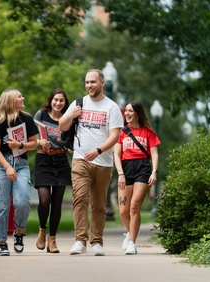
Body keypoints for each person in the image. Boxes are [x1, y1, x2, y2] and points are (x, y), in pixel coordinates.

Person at [59, 69, 123, 256]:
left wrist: (98, 150)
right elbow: (62, 126)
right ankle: (80, 240)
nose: (89, 85)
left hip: (103, 162)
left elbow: (115, 136)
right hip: (80, 159)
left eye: (93, 82)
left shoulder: (111, 107)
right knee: (80, 199)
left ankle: (97, 242)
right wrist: (71, 115)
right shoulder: (79, 103)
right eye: (87, 82)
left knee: (99, 203)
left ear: (102, 83)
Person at [0, 88, 39, 256]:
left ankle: (19, 232)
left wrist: (20, 146)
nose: (23, 98)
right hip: (1, 164)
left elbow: (35, 143)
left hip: (21, 164)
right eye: (19, 96)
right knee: (2, 205)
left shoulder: (27, 119)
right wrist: (7, 167)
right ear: (11, 101)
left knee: (22, 202)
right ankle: (2, 242)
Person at [114, 101, 160, 255]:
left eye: (130, 111)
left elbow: (154, 154)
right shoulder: (122, 132)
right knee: (122, 211)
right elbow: (117, 154)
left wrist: (154, 171)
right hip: (126, 169)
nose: (127, 113)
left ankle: (132, 243)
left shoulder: (148, 132)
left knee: (134, 207)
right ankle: (130, 233)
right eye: (126, 111)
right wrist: (120, 173)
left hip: (142, 168)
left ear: (137, 113)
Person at [33, 88, 72, 254]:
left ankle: (52, 239)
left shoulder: (67, 119)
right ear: (51, 100)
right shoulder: (40, 115)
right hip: (43, 160)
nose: (58, 103)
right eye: (56, 100)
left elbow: (70, 139)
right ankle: (42, 230)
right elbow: (31, 136)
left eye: (61, 101)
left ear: (65, 103)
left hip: (61, 160)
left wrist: (70, 147)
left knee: (57, 204)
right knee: (44, 200)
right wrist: (40, 142)